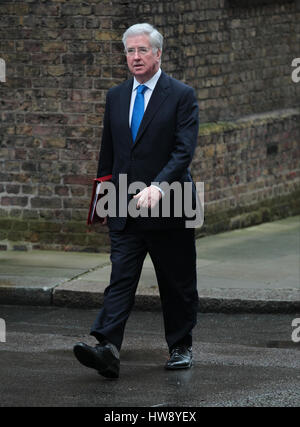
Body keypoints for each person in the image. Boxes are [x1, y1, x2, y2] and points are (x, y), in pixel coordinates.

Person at [73, 23, 199, 379]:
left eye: (143, 50)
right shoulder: (115, 96)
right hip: (124, 205)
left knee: (176, 281)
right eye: (130, 51)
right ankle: (107, 348)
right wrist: (102, 200)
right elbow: (108, 154)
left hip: (171, 201)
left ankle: (180, 346)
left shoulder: (181, 95)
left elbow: (182, 152)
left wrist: (158, 187)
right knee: (121, 278)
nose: (136, 56)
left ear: (158, 53)